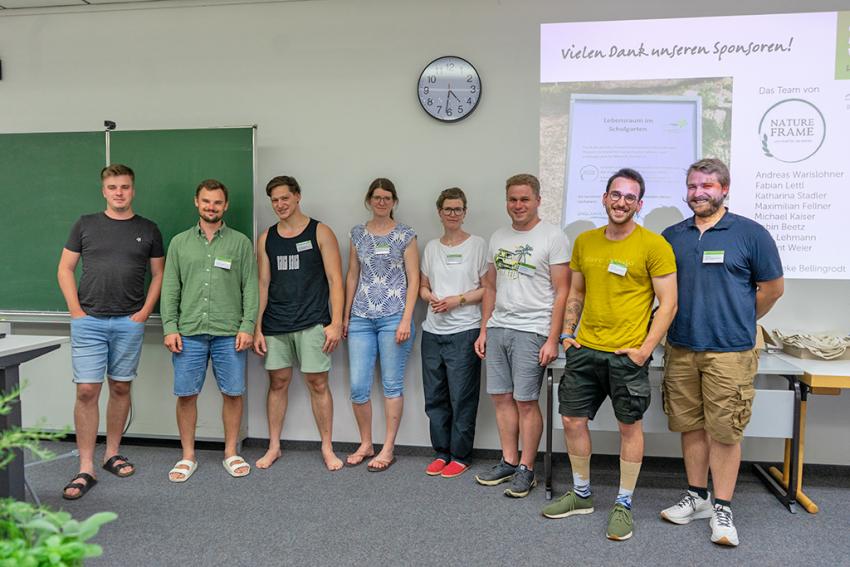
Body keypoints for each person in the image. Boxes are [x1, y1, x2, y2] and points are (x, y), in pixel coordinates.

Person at [541, 168, 677, 542]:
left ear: (639, 204)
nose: (621, 202)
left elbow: (668, 304)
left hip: (626, 355)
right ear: (604, 198)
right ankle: (582, 494)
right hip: (585, 350)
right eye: (616, 195)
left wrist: (645, 350)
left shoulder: (654, 246)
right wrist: (568, 332)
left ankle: (624, 503)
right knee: (570, 420)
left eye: (630, 197)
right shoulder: (585, 241)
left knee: (628, 427)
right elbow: (577, 293)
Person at [659, 158, 783, 546]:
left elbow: (772, 290)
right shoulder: (672, 235)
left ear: (724, 189)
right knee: (690, 425)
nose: (699, 193)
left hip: (730, 352)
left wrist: (739, 319)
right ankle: (698, 497)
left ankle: (723, 506)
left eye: (707, 186)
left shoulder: (750, 234)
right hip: (681, 348)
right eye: (693, 186)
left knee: (726, 431)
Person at [57, 164, 164, 500]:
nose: (120, 192)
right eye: (113, 187)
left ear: (134, 190)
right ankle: (85, 466)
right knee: (87, 390)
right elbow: (65, 268)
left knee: (120, 386)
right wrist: (76, 311)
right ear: (104, 191)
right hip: (89, 320)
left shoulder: (148, 229)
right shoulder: (85, 224)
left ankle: (111, 454)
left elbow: (159, 274)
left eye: (126, 187)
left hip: (127, 322)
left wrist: (144, 313)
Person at [473, 173, 570, 498]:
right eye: (513, 199)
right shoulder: (498, 237)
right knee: (501, 398)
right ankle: (509, 460)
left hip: (533, 330)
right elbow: (489, 286)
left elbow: (563, 291)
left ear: (538, 200)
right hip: (499, 327)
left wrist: (552, 338)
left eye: (524, 199)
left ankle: (527, 468)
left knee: (525, 401)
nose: (518, 205)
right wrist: (485, 328)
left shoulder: (553, 236)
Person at [161, 179, 258, 482]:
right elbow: (169, 289)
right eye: (206, 201)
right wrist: (170, 327)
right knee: (187, 394)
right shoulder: (179, 243)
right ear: (196, 202)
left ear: (225, 205)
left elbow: (251, 288)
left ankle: (231, 452)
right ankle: (188, 456)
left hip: (230, 333)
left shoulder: (240, 242)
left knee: (233, 393)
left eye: (217, 202)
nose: (211, 207)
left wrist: (247, 326)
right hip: (188, 332)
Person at [253, 175, 344, 471]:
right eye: (274, 200)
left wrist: (336, 322)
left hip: (313, 321)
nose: (279, 204)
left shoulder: (321, 232)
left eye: (284, 198)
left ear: (297, 197)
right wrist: (256, 327)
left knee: (318, 383)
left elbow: (335, 281)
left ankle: (327, 448)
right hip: (276, 323)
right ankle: (274, 446)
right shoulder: (267, 238)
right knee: (277, 382)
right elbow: (263, 284)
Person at [343, 178, 419, 472]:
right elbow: (352, 275)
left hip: (394, 318)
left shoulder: (405, 235)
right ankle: (366, 443)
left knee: (391, 385)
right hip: (361, 317)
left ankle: (388, 447)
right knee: (358, 386)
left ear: (394, 201)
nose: (382, 202)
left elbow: (414, 278)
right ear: (369, 200)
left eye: (387, 197)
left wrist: (406, 319)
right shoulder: (357, 234)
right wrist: (346, 316)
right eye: (377, 197)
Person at [419, 188, 488, 478]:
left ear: (465, 212)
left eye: (458, 209)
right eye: (448, 209)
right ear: (439, 212)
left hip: (464, 330)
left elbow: (487, 289)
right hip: (432, 332)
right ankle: (441, 452)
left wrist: (456, 300)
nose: (453, 214)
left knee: (462, 397)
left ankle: (460, 455)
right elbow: (423, 285)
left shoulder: (478, 245)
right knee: (435, 396)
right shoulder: (432, 247)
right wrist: (430, 298)